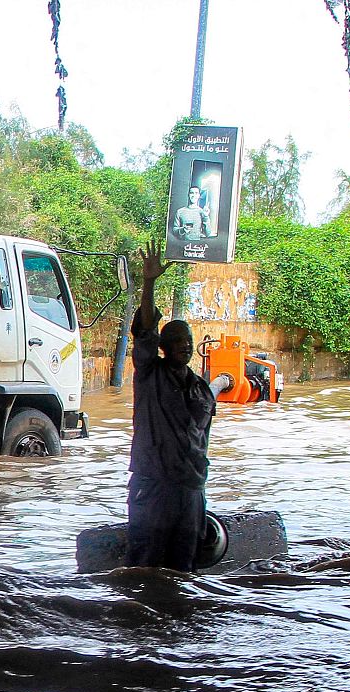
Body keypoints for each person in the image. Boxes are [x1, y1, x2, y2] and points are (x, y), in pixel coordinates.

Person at [125, 240, 233, 571]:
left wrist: (221, 383)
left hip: (191, 488)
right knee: (146, 566)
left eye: (188, 342)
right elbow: (144, 330)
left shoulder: (200, 388)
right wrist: (149, 283)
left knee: (185, 566)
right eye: (176, 342)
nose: (184, 347)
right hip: (154, 485)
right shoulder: (150, 375)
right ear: (163, 348)